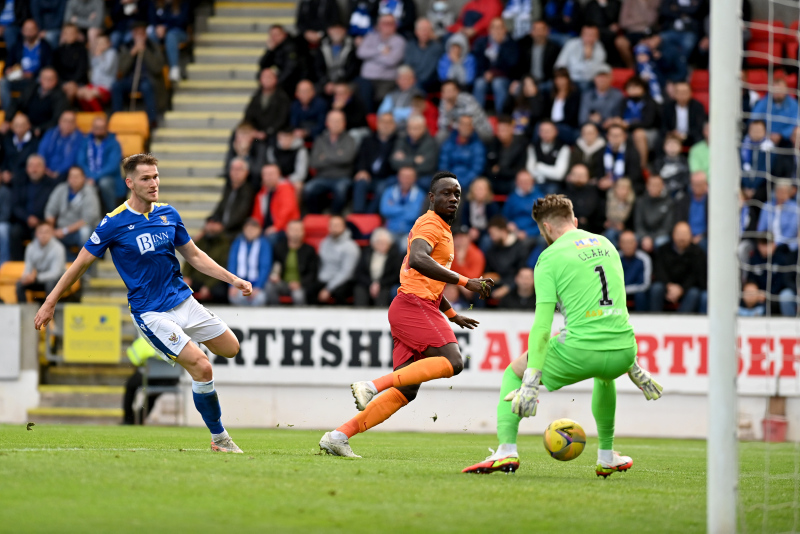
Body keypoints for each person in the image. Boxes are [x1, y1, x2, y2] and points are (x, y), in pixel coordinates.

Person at [34, 153, 252, 453]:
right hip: (151, 312)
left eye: (156, 176)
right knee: (203, 367)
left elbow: (196, 256)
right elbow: (79, 265)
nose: (154, 183)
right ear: (130, 182)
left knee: (231, 348)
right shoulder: (113, 223)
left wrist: (233, 279)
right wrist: (50, 301)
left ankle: (187, 354)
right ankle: (220, 438)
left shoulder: (169, 214)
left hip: (183, 301)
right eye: (146, 178)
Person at [463, 194, 662, 476]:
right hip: (624, 351)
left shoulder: (549, 258)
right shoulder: (607, 244)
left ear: (546, 228)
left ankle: (506, 451)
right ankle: (607, 455)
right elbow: (614, 312)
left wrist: (531, 380)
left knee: (513, 373)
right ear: (575, 222)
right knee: (605, 378)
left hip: (580, 351)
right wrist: (633, 365)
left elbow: (542, 328)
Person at [319, 171, 494, 458]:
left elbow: (426, 280)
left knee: (407, 390)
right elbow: (417, 259)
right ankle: (371, 385)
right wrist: (465, 281)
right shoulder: (429, 223)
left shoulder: (441, 228)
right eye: (447, 192)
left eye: (457, 194)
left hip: (413, 305)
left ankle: (338, 436)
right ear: (431, 197)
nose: (453, 198)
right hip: (414, 306)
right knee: (453, 362)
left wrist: (451, 314)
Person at [111, 22, 167, 127]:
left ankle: (152, 120)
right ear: (132, 34)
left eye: (141, 33)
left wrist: (145, 51)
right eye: (136, 33)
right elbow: (121, 69)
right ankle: (116, 116)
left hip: (148, 80)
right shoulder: (126, 47)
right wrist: (133, 52)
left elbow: (157, 68)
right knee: (116, 86)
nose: (139, 36)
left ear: (145, 34)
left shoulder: (153, 47)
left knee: (147, 87)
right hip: (130, 79)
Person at [305, 110, 358, 214]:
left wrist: (325, 157)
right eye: (333, 121)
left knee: (341, 189)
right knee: (308, 189)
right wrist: (337, 155)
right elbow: (314, 162)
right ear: (327, 123)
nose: (336, 124)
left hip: (342, 177)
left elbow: (347, 158)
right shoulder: (320, 139)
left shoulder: (350, 139)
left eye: (339, 121)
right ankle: (317, 216)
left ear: (344, 123)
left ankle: (335, 217)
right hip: (322, 177)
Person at [649, 221, 706, 313]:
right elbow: (659, 271)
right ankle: (654, 320)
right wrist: (669, 285)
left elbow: (697, 276)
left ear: (691, 235)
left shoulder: (698, 253)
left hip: (687, 289)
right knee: (656, 288)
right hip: (667, 288)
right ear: (673, 235)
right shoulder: (663, 250)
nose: (682, 238)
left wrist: (682, 289)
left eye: (685, 234)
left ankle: (681, 322)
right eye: (679, 234)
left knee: (694, 293)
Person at [43, 166, 101, 257]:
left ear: (83, 178)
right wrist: (50, 229)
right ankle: (67, 263)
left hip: (82, 230)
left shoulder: (90, 192)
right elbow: (50, 211)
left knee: (85, 232)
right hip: (61, 229)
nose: (74, 179)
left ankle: (86, 267)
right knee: (43, 232)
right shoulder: (61, 189)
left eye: (77, 177)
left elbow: (88, 220)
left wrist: (65, 230)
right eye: (71, 176)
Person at [122, 336, 180, 425]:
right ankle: (140, 420)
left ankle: (128, 420)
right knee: (152, 395)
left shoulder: (145, 341)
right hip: (170, 380)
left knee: (130, 385)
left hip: (149, 378)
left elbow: (135, 361)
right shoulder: (178, 341)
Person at [0, 19, 53, 117]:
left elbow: (49, 67)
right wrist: (8, 70)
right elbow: (7, 65)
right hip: (19, 79)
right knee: (2, 82)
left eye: (31, 29)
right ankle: (8, 112)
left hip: (36, 80)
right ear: (22, 31)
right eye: (26, 29)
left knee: (35, 85)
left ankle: (27, 114)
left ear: (37, 30)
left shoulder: (45, 47)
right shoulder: (17, 46)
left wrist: (33, 74)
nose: (28, 32)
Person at [9, 154, 57, 261]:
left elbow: (54, 207)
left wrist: (42, 222)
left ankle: (42, 267)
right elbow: (15, 206)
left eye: (38, 166)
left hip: (44, 223)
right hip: (24, 222)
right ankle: (18, 264)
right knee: (14, 232)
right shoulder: (19, 181)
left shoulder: (52, 184)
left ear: (44, 168)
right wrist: (27, 218)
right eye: (31, 166)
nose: (34, 169)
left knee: (43, 234)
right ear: (27, 168)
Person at [355, 14, 406, 111]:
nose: (387, 26)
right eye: (384, 23)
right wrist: (380, 51)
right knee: (361, 96)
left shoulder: (399, 41)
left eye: (390, 23)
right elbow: (360, 53)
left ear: (395, 25)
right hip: (367, 78)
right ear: (378, 25)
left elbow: (391, 61)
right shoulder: (370, 37)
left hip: (387, 80)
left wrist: (370, 56)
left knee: (382, 102)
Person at [352, 112, 398, 214]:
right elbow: (360, 158)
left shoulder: (398, 142)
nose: (386, 125)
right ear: (377, 124)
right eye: (383, 122)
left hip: (387, 177)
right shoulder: (367, 140)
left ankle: (369, 215)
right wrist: (362, 170)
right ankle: (358, 214)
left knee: (382, 188)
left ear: (394, 125)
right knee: (360, 182)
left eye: (389, 122)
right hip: (369, 175)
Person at [76, 115, 124, 212]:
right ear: (92, 128)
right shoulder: (86, 142)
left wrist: (94, 177)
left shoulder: (114, 143)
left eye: (102, 128)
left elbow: (112, 166)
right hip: (88, 176)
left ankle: (112, 213)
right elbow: (81, 161)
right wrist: (89, 175)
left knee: (104, 183)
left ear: (107, 128)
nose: (99, 131)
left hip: (110, 178)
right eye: (96, 128)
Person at [266, 219, 318, 305]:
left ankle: (301, 317)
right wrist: (275, 276)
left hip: (300, 285)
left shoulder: (309, 250)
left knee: (298, 295)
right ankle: (275, 314)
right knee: (269, 287)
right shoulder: (279, 247)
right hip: (283, 283)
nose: (296, 233)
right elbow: (275, 266)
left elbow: (312, 273)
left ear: (303, 232)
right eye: (293, 230)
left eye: (298, 230)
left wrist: (300, 283)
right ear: (287, 231)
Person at [472, 17, 519, 113]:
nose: (497, 31)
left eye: (500, 27)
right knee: (479, 83)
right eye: (494, 27)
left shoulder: (512, 44)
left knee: (498, 83)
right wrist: (484, 73)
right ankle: (476, 116)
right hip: (485, 76)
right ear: (489, 30)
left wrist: (501, 46)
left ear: (505, 29)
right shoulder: (482, 43)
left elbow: (512, 65)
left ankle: (501, 115)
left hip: (504, 78)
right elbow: (478, 63)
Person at [183, 216, 232, 304]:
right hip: (197, 278)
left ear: (221, 226)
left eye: (214, 223)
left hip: (215, 280)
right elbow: (189, 259)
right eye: (209, 223)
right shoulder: (200, 241)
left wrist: (208, 286)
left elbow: (223, 267)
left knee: (220, 292)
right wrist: (186, 276)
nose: (211, 226)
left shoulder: (225, 244)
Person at [7, 67, 67, 137]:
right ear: (40, 79)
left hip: (45, 131)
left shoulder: (60, 96)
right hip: (26, 126)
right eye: (45, 78)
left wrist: (40, 129)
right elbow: (17, 102)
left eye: (50, 79)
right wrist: (7, 119)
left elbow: (57, 119)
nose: (47, 81)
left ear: (56, 80)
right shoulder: (32, 88)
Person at [313, 215, 360, 304]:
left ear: (344, 227)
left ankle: (342, 317)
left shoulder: (351, 247)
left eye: (337, 225)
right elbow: (320, 265)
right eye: (332, 225)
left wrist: (328, 288)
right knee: (310, 292)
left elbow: (346, 273)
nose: (334, 228)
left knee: (339, 294)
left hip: (345, 281)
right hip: (325, 279)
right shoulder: (324, 243)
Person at [16, 221, 65, 303]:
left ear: (52, 233)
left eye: (46, 232)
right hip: (38, 279)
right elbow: (28, 268)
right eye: (41, 232)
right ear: (36, 234)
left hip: (56, 281)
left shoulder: (59, 248)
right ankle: (25, 312)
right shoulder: (30, 247)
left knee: (50, 283)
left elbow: (55, 273)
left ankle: (49, 311)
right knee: (20, 284)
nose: (43, 235)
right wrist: (26, 277)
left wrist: (36, 277)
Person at [227, 218, 272, 307]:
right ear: (244, 229)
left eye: (253, 229)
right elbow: (232, 265)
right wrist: (232, 285)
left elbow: (265, 267)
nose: (250, 231)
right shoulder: (237, 243)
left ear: (259, 230)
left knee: (260, 298)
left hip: (257, 284)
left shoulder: (264, 244)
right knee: (235, 297)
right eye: (248, 229)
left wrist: (258, 287)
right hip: (240, 283)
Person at [353, 227, 402, 307]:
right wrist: (371, 284)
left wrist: (380, 284)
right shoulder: (366, 253)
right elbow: (359, 273)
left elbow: (395, 275)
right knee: (359, 290)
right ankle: (359, 316)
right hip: (367, 283)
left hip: (385, 284)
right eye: (379, 242)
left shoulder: (394, 256)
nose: (381, 245)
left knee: (384, 293)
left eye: (384, 243)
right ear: (373, 244)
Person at [250, 163, 300, 240]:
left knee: (270, 238)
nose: (268, 177)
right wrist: (254, 228)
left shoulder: (286, 188)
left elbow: (286, 211)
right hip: (266, 228)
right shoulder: (261, 193)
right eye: (265, 175)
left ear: (278, 175)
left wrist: (276, 227)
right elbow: (256, 215)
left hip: (284, 228)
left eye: (271, 174)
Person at [379, 166, 425, 246]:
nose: (406, 180)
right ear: (398, 177)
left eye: (409, 177)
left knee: (407, 245)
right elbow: (385, 210)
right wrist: (407, 208)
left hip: (409, 232)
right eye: (403, 176)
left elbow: (413, 215)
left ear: (415, 179)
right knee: (379, 239)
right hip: (390, 230)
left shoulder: (420, 194)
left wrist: (394, 207)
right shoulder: (389, 191)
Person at [484, 215, 528, 299]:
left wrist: (507, 287)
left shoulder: (519, 248)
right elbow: (489, 270)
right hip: (496, 284)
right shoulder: (492, 249)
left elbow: (521, 271)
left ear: (503, 231)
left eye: (493, 234)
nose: (491, 238)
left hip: (514, 286)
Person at [211, 158, 256, 237]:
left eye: (239, 169)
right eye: (233, 169)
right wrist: (211, 221)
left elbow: (240, 215)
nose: (235, 172)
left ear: (246, 172)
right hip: (223, 229)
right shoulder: (228, 188)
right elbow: (220, 208)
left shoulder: (247, 191)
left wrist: (222, 227)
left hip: (236, 232)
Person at [147, 0, 190, 83]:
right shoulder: (158, 4)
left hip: (180, 32)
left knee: (171, 36)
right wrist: (157, 27)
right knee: (151, 35)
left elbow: (182, 21)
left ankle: (174, 68)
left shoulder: (183, 3)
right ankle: (156, 65)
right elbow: (152, 18)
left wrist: (166, 27)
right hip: (162, 33)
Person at [438, 115, 485, 190]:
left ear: (472, 127)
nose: (465, 127)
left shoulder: (477, 146)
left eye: (468, 125)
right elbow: (444, 164)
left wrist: (462, 183)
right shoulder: (449, 143)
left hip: (469, 185)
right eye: (463, 124)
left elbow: (477, 168)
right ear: (458, 126)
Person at [554, 25, 607, 91]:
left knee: (586, 85)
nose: (589, 38)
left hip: (588, 82)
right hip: (570, 79)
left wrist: (588, 58)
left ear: (597, 37)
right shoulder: (571, 44)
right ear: (581, 35)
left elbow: (591, 73)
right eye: (587, 35)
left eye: (592, 35)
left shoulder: (599, 48)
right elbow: (559, 64)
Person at [390, 114, 439, 184]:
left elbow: (428, 166)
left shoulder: (430, 142)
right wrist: (414, 160)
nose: (413, 131)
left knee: (426, 183)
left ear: (424, 128)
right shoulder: (401, 140)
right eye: (411, 128)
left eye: (417, 128)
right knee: (388, 182)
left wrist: (405, 161)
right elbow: (393, 162)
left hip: (421, 176)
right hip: (402, 175)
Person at [313, 22, 359, 96]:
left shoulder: (352, 46)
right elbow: (318, 68)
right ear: (328, 31)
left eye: (339, 29)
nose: (337, 32)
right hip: (326, 81)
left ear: (344, 31)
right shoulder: (322, 46)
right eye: (334, 29)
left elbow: (352, 69)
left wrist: (338, 83)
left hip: (345, 81)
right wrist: (326, 82)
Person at [485, 116, 528, 195]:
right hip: (494, 180)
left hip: (512, 180)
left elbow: (519, 169)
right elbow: (488, 167)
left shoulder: (521, 145)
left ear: (512, 129)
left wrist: (500, 170)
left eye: (504, 130)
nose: (501, 133)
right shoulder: (493, 143)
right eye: (499, 130)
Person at [526, 120, 571, 196]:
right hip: (536, 182)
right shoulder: (533, 146)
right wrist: (544, 175)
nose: (545, 134)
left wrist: (539, 166)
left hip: (554, 184)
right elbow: (530, 170)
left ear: (556, 132)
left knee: (551, 192)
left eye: (548, 131)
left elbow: (559, 175)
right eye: (542, 131)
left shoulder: (564, 147)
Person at [243, 68, 291, 137]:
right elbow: (249, 115)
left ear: (276, 79)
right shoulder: (256, 96)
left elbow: (282, 119)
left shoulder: (282, 97)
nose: (267, 79)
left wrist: (267, 132)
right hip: (257, 133)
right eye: (264, 77)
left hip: (275, 133)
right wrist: (254, 131)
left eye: (269, 77)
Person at [751, 77, 800, 144]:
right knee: (756, 128)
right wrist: (766, 133)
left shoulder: (793, 104)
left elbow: (796, 122)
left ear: (786, 90)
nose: (778, 92)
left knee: (798, 132)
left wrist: (782, 134)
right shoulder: (764, 102)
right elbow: (754, 117)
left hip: (786, 139)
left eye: (780, 89)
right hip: (765, 138)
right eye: (776, 89)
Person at [77, 34, 118, 112]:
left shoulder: (112, 53)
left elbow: (107, 69)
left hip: (107, 87)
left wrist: (99, 56)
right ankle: (89, 116)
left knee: (89, 95)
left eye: (103, 43)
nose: (100, 45)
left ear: (109, 43)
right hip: (95, 85)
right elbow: (92, 68)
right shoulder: (96, 54)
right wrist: (96, 55)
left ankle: (100, 116)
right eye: (98, 43)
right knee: (79, 93)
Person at [456, 176, 500, 251]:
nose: (479, 192)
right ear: (472, 190)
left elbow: (493, 224)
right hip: (470, 231)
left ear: (487, 191)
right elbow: (464, 220)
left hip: (486, 232)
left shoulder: (492, 205)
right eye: (477, 189)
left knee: (486, 241)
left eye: (482, 189)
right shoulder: (467, 203)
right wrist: (468, 231)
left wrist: (479, 232)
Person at [38, 110, 84, 181]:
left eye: (71, 122)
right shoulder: (50, 133)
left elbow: (72, 159)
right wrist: (44, 168)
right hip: (45, 170)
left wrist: (58, 172)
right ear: (59, 121)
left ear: (75, 124)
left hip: (64, 173)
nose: (67, 124)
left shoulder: (79, 138)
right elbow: (42, 151)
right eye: (65, 121)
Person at [516, 20, 562, 91]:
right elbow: (520, 68)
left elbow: (556, 70)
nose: (538, 33)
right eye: (535, 29)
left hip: (547, 81)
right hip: (528, 80)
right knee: (515, 88)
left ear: (547, 31)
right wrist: (526, 79)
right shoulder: (525, 48)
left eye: (541, 29)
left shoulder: (554, 49)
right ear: (531, 32)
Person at [634, 174, 674, 254]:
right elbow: (638, 224)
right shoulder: (641, 201)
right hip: (643, 235)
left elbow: (667, 227)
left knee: (662, 241)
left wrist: (651, 239)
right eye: (651, 185)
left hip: (659, 235)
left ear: (662, 186)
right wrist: (645, 237)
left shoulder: (669, 202)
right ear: (647, 186)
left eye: (657, 185)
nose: (654, 188)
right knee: (629, 240)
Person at [756, 179, 798, 252]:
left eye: (784, 192)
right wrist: (762, 244)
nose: (781, 194)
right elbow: (761, 229)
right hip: (766, 243)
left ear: (789, 193)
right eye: (779, 191)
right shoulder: (767, 206)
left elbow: (791, 232)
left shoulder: (794, 209)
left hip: (786, 246)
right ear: (775, 192)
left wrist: (775, 244)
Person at [258, 25, 302, 95]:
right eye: (272, 35)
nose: (274, 37)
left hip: (292, 82)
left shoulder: (290, 47)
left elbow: (290, 69)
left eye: (277, 34)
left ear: (284, 34)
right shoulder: (275, 48)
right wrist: (270, 50)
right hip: (281, 81)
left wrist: (277, 82)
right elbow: (263, 65)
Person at [51, 24, 89, 105]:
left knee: (70, 91)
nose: (69, 35)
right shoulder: (58, 51)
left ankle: (66, 113)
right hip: (62, 82)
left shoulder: (82, 49)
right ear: (63, 35)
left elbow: (82, 69)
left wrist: (73, 82)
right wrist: (62, 83)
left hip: (78, 82)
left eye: (72, 33)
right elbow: (56, 69)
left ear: (77, 34)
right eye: (67, 33)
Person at [502, 75, 549, 140]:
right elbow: (505, 113)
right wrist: (510, 95)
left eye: (530, 85)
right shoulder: (517, 101)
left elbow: (537, 114)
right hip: (512, 135)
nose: (527, 88)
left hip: (527, 137)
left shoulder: (540, 101)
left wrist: (532, 96)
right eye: (525, 85)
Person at [661, 81, 706, 148]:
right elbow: (663, 126)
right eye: (679, 92)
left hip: (690, 136)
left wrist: (684, 135)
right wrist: (671, 134)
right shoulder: (668, 107)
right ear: (674, 93)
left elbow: (699, 127)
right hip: (673, 136)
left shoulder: (698, 107)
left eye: (685, 92)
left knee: (699, 140)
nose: (682, 95)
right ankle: (662, 159)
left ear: (690, 93)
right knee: (659, 141)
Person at [601, 124, 644, 195]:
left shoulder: (632, 152)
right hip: (607, 185)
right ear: (607, 137)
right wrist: (602, 180)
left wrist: (615, 182)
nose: (615, 138)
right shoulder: (602, 151)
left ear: (624, 136)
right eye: (612, 135)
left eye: (618, 135)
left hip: (627, 186)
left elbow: (634, 175)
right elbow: (599, 170)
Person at [403, 18, 443, 92]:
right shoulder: (410, 45)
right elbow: (407, 65)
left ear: (431, 32)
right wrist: (408, 79)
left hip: (429, 82)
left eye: (427, 30)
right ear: (416, 32)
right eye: (422, 30)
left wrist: (413, 81)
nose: (425, 33)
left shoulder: (437, 48)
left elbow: (429, 72)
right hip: (411, 79)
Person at [565, 163, 605, 234]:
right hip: (567, 230)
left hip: (592, 230)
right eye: (576, 174)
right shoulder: (562, 191)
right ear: (569, 176)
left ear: (588, 176)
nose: (579, 178)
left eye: (582, 175)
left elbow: (599, 213)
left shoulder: (595, 192)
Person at [266, 128, 308, 192]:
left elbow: (301, 174)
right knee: (267, 184)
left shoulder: (301, 150)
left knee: (298, 186)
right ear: (278, 137)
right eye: (283, 138)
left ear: (293, 137)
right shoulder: (272, 149)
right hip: (277, 178)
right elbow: (271, 168)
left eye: (288, 138)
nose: (285, 141)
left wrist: (286, 181)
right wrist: (278, 180)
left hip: (293, 179)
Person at [618, 229, 651, 311]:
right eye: (624, 243)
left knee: (641, 295)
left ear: (636, 244)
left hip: (637, 291)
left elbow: (645, 284)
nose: (627, 246)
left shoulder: (644, 258)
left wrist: (626, 290)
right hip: (618, 292)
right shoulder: (615, 258)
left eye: (630, 242)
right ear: (619, 244)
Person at [1, 113, 39, 183]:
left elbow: (32, 165)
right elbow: (4, 159)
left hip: (25, 181)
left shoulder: (35, 143)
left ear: (28, 126)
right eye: (16, 125)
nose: (19, 128)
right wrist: (4, 171)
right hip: (7, 179)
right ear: (12, 126)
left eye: (22, 125)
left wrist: (15, 176)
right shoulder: (7, 141)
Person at [675, 171, 708, 251]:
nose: (696, 187)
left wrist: (701, 236)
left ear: (705, 185)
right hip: (686, 236)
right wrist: (686, 236)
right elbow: (679, 220)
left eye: (699, 184)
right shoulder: (683, 201)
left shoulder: (711, 203)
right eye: (694, 184)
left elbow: (714, 224)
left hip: (705, 236)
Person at [548, 67, 581, 143]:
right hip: (551, 124)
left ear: (567, 79)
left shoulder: (574, 95)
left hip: (567, 126)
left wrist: (555, 125)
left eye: (562, 78)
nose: (560, 81)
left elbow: (572, 116)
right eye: (557, 79)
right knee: (540, 127)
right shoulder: (551, 95)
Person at [604, 177, 635, 245]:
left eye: (624, 188)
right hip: (610, 229)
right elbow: (602, 220)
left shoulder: (633, 204)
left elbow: (634, 222)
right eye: (620, 188)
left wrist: (624, 226)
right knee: (610, 233)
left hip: (627, 231)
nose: (622, 191)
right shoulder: (608, 202)